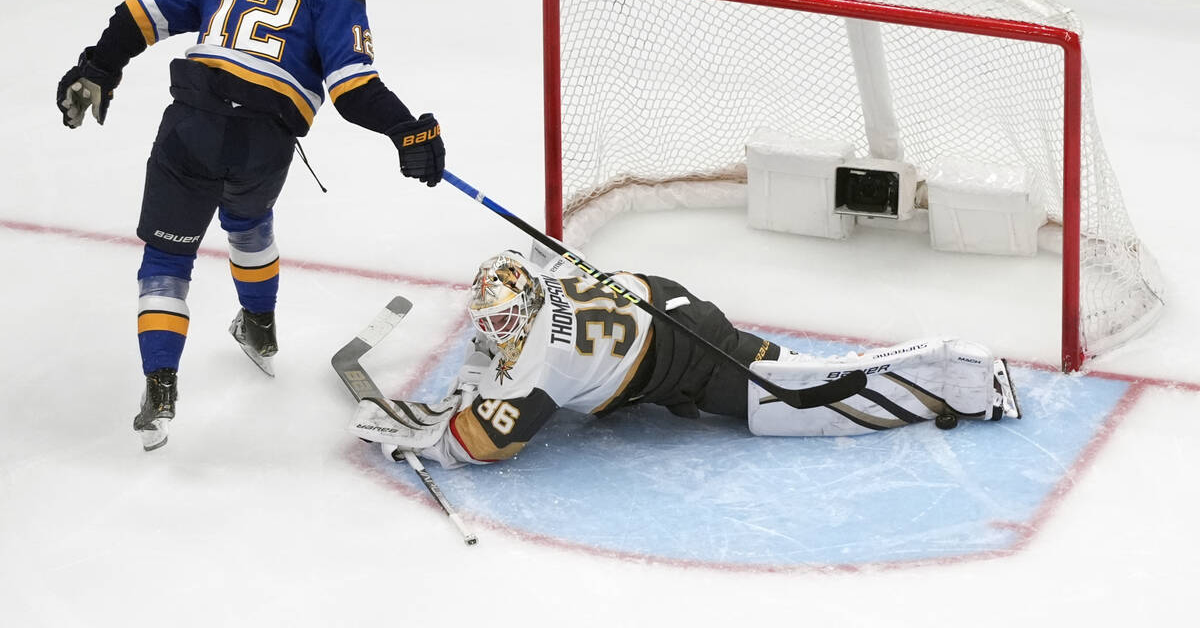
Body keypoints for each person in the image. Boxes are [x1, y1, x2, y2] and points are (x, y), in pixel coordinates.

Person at [56, 0, 446, 452]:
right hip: (264, 139)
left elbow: (139, 14)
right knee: (249, 220)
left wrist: (97, 66)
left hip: (191, 124)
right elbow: (354, 89)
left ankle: (161, 388)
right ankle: (260, 327)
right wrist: (407, 131)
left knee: (168, 258)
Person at [348, 250, 1021, 469]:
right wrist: (476, 376)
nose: (493, 329)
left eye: (502, 320)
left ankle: (956, 380)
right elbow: (521, 273)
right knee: (782, 372)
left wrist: (432, 439)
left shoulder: (542, 361)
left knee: (794, 396)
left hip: (679, 356)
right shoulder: (531, 287)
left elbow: (487, 446)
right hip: (663, 306)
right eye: (486, 320)